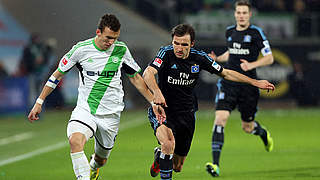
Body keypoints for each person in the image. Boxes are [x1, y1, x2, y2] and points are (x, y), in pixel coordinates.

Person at [27, 13, 165, 180]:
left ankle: (94, 166)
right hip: (86, 110)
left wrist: (152, 101)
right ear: (98, 32)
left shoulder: (121, 50)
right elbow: (56, 75)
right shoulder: (80, 49)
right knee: (75, 141)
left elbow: (136, 78)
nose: (111, 42)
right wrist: (39, 102)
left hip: (111, 114)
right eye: (108, 37)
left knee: (101, 159)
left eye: (115, 38)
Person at [143, 23, 275, 180]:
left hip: (186, 114)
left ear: (192, 44)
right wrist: (157, 92)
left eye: (184, 44)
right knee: (169, 143)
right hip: (164, 110)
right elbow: (148, 73)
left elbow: (226, 73)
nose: (179, 48)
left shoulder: (199, 58)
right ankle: (164, 156)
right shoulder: (166, 53)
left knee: (177, 166)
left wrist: (255, 82)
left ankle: (160, 156)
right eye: (176, 43)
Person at [205, 0, 275, 177]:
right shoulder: (229, 31)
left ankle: (262, 132)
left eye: (244, 12)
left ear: (250, 14)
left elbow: (270, 58)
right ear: (235, 14)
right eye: (238, 12)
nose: (241, 15)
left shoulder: (256, 33)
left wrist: (251, 65)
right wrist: (218, 58)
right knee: (220, 119)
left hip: (248, 87)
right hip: (228, 83)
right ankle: (215, 165)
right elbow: (231, 52)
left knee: (247, 127)